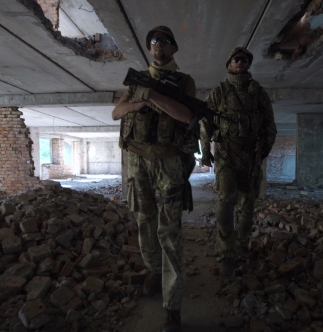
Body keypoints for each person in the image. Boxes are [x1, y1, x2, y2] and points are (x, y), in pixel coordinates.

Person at [111, 26, 198, 332]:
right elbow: (116, 113)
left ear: (173, 48)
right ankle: (152, 270)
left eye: (164, 41)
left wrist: (153, 96)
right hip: (136, 158)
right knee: (143, 219)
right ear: (149, 49)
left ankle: (172, 305)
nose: (157, 44)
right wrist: (140, 99)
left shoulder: (185, 81)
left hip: (167, 160)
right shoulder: (136, 81)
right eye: (153, 41)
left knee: (169, 231)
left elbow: (187, 116)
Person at [200, 47, 277, 278]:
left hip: (251, 157)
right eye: (236, 59)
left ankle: (242, 246)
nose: (241, 63)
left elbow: (270, 125)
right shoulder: (219, 92)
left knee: (247, 204)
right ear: (229, 65)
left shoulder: (258, 93)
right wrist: (205, 151)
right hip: (226, 155)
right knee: (225, 202)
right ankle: (226, 254)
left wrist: (263, 151)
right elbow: (206, 122)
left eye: (245, 60)